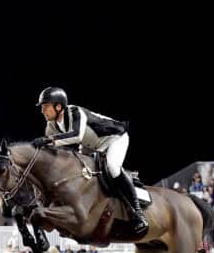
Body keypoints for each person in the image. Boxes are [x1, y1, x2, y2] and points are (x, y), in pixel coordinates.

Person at [32, 86, 148, 233]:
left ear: (58, 106)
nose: (42, 111)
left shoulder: (75, 112)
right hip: (93, 146)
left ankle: (138, 213)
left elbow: (76, 136)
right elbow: (56, 150)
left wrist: (47, 140)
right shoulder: (51, 126)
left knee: (112, 167)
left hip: (114, 138)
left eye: (45, 107)